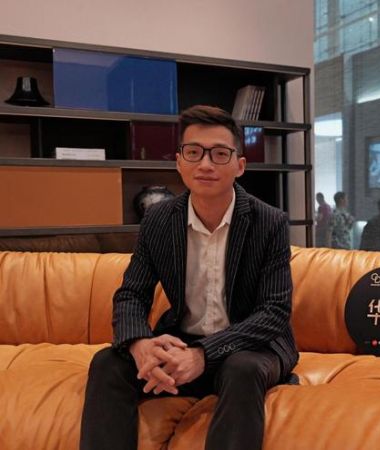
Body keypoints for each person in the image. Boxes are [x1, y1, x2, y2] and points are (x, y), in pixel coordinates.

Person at [80, 105, 298, 450]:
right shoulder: (158, 220)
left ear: (240, 165)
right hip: (182, 345)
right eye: (194, 152)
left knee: (241, 369)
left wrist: (202, 355)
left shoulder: (268, 222)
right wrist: (139, 344)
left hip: (249, 348)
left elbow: (274, 312)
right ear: (179, 161)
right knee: (108, 362)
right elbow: (131, 294)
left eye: (220, 154)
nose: (206, 164)